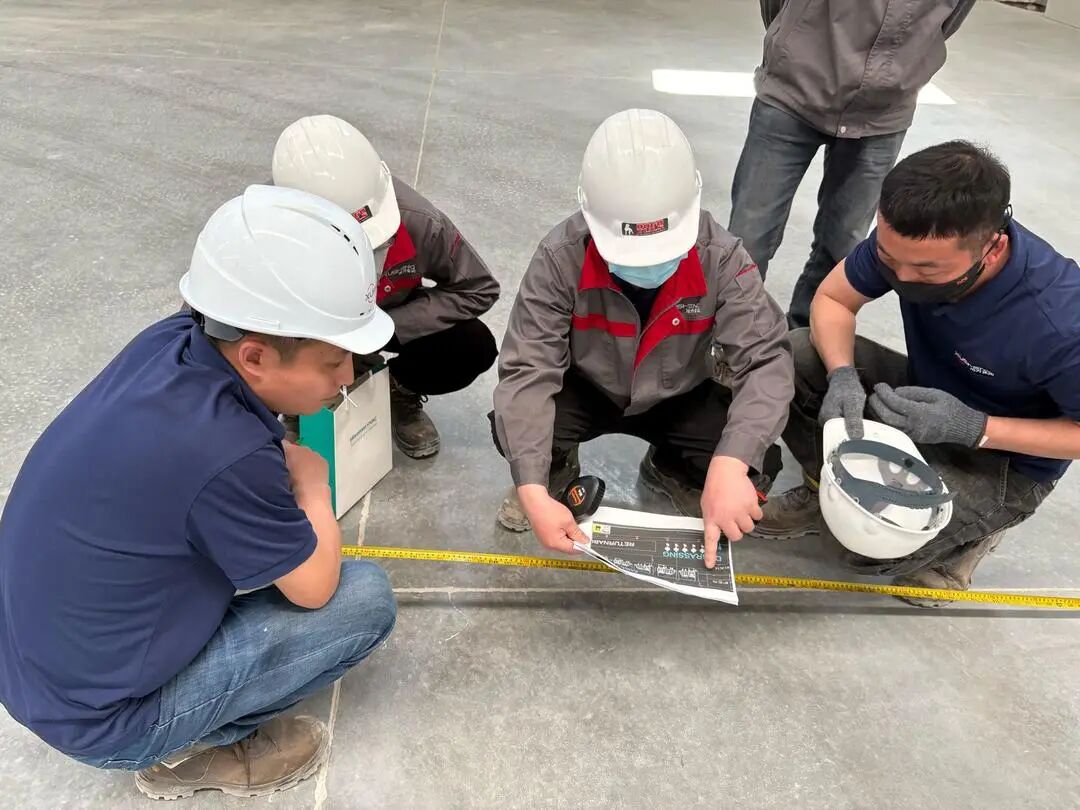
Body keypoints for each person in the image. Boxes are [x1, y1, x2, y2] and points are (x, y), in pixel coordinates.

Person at [0, 186, 398, 799]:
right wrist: (313, 486)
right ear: (255, 356)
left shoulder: (170, 343)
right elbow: (316, 587)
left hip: (34, 663)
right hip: (104, 721)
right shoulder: (226, 454)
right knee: (363, 599)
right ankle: (192, 753)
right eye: (332, 362)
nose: (347, 378)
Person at [754, 141, 1080, 605]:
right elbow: (833, 299)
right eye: (890, 261)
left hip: (1007, 458)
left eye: (926, 270)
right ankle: (820, 485)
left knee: (867, 550)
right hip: (924, 402)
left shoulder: (1060, 322)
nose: (902, 277)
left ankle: (973, 535)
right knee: (793, 355)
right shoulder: (908, 240)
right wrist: (842, 374)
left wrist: (974, 428)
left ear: (992, 248)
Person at [491, 109, 793, 567]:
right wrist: (532, 490)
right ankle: (554, 469)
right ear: (591, 219)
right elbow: (528, 370)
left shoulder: (722, 258)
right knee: (513, 430)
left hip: (680, 396)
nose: (649, 265)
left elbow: (766, 359)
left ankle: (672, 467)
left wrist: (731, 464)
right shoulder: (559, 258)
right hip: (587, 390)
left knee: (758, 461)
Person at [728, 0, 975, 328]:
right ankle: (734, 338)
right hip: (794, 90)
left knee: (842, 243)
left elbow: (950, 18)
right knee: (750, 234)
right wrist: (792, 39)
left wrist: (902, 67)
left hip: (883, 112)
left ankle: (807, 336)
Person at [272, 114, 500, 458]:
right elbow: (214, 323)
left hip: (388, 315)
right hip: (312, 328)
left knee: (471, 346)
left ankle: (397, 389)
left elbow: (479, 288)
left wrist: (386, 328)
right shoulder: (259, 226)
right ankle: (296, 405)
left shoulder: (419, 221)